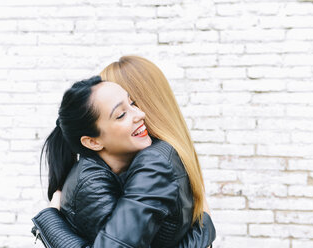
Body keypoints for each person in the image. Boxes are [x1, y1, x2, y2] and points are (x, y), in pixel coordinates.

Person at [32, 56, 215, 247]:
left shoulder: (152, 159)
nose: (140, 114)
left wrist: (50, 223)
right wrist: (204, 229)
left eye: (133, 102)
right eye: (120, 114)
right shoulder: (96, 180)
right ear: (92, 141)